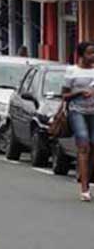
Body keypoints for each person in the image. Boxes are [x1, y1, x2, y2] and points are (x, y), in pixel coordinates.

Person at [62, 41, 94, 201]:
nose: (92, 56)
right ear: (81, 55)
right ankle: (84, 188)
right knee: (84, 147)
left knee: (91, 147)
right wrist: (80, 92)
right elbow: (64, 96)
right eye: (89, 53)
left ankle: (84, 173)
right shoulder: (72, 71)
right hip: (77, 112)